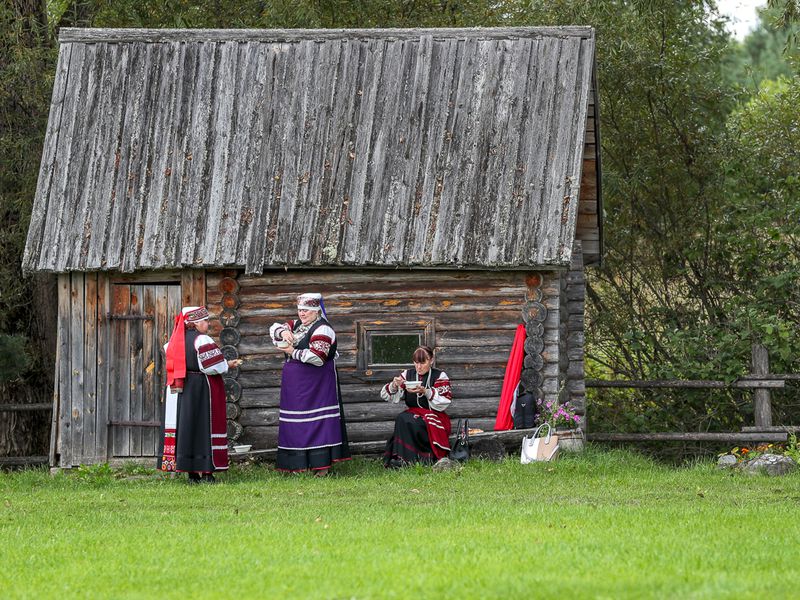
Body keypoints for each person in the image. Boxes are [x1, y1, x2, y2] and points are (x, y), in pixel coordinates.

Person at [270, 293, 350, 475]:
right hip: (295, 385)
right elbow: (273, 328)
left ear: (316, 311)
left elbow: (318, 358)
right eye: (299, 310)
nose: (302, 314)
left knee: (317, 423)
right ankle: (298, 465)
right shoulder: (297, 325)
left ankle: (321, 468)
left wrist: (292, 351)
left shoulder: (323, 329)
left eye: (306, 310)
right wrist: (283, 332)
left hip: (317, 384)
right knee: (296, 422)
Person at [161, 306, 242, 484]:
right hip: (200, 388)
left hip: (179, 389)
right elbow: (211, 366)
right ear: (196, 323)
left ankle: (190, 473)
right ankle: (206, 472)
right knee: (204, 426)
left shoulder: (172, 342)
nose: (208, 324)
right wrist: (226, 365)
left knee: (186, 427)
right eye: (205, 321)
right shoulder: (202, 340)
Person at [381, 346, 452, 467]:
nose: (419, 367)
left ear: (431, 360)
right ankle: (401, 458)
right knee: (402, 418)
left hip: (435, 416)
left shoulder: (440, 376)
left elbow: (444, 402)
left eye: (423, 362)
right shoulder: (407, 374)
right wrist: (394, 385)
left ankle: (420, 459)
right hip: (413, 414)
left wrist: (426, 392)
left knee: (409, 420)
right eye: (416, 362)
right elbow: (386, 395)